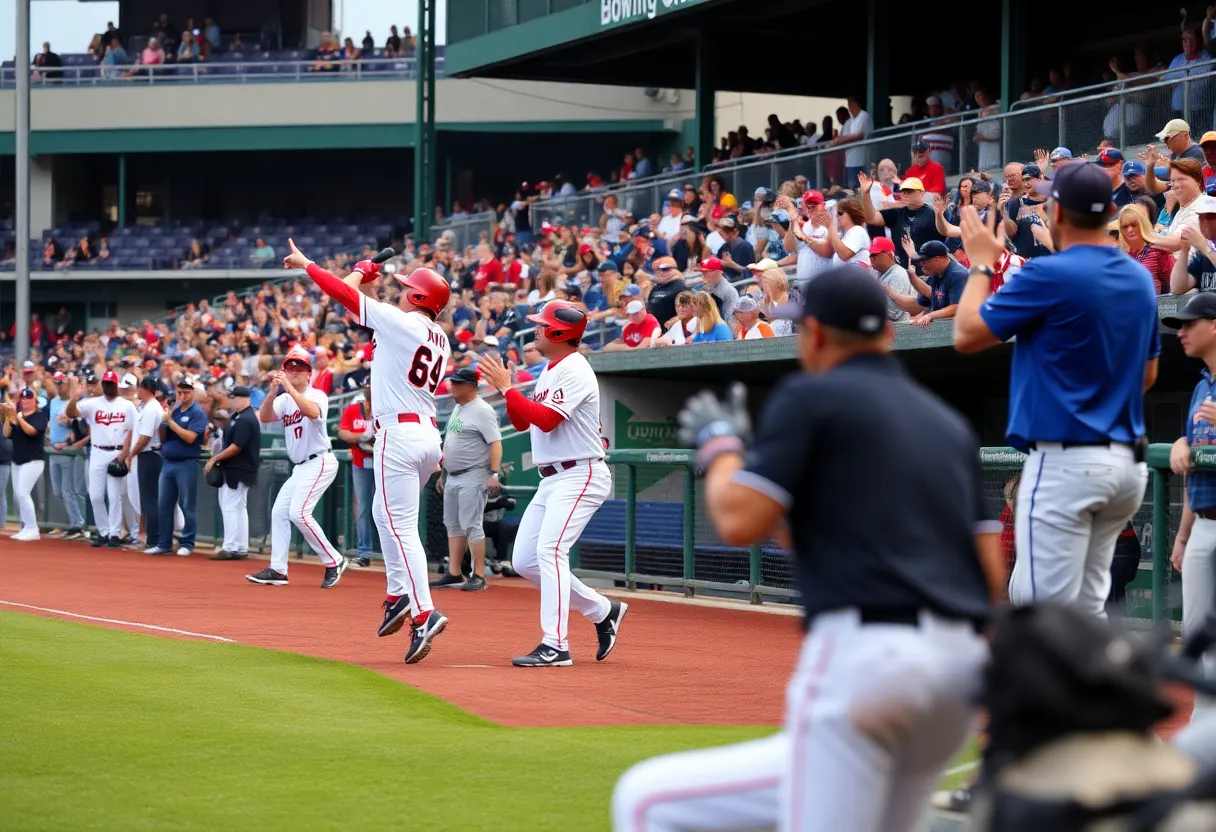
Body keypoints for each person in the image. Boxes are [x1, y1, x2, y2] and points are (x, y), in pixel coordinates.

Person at [613, 267, 1001, 832]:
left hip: (868, 660)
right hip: (956, 676)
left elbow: (738, 520)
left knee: (645, 800)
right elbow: (990, 575)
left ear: (815, 333)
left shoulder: (814, 394)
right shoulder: (948, 426)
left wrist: (722, 447)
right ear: (887, 337)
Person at [954, 161, 1158, 617]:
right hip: (1125, 469)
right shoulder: (1138, 276)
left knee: (1043, 617)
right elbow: (1147, 376)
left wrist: (983, 262)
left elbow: (966, 335)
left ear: (1059, 213)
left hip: (1069, 464)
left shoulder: (1049, 274)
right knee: (1085, 612)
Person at [285, 240, 451, 665]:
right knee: (383, 514)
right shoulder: (435, 334)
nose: (399, 291)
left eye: (405, 288)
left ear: (417, 297)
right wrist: (370, 285)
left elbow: (343, 295)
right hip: (426, 435)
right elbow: (372, 316)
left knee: (399, 529)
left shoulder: (406, 323)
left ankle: (424, 611)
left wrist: (318, 265)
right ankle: (398, 595)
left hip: (398, 434)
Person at [476, 301, 628, 667]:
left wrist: (509, 389)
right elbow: (524, 422)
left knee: (550, 552)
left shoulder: (575, 369)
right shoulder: (551, 369)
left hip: (581, 473)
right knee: (527, 561)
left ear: (560, 334)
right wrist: (507, 392)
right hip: (553, 478)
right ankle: (602, 609)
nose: (537, 331)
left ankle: (555, 645)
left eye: (543, 326)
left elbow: (544, 419)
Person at [246, 347, 349, 589]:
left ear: (309, 373)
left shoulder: (317, 395)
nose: (294, 371)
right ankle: (278, 570)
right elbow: (265, 417)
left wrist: (289, 389)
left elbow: (312, 412)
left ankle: (334, 559)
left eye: (299, 367)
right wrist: (272, 392)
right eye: (290, 367)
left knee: (298, 513)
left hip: (320, 460)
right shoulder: (282, 399)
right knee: (279, 512)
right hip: (301, 467)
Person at [1163, 292, 1216, 724]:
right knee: (1197, 634)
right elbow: (1190, 466)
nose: (1180, 332)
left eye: (1188, 323)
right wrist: (1182, 536)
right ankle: (1203, 734)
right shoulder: (1201, 385)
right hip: (1202, 521)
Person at [432, 366, 502, 592]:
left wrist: (493, 473)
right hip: (453, 475)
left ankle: (478, 574)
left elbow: (496, 443)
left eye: (457, 382)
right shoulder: (459, 408)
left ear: (471, 386)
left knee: (472, 525)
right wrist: (443, 473)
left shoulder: (483, 410)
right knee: (452, 525)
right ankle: (454, 573)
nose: (452, 386)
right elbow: (449, 444)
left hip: (474, 473)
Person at [66, 371, 136, 549]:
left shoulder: (127, 406)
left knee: (114, 496)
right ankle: (103, 531)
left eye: (111, 383)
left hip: (117, 452)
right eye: (105, 383)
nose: (108, 386)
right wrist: (74, 397)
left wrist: (126, 454)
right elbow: (71, 413)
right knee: (95, 495)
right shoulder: (92, 404)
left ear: (116, 385)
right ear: (103, 385)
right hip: (97, 452)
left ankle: (114, 533)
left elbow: (132, 430)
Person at [146, 379, 208, 557]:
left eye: (187, 391)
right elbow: (164, 438)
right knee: (164, 504)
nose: (183, 395)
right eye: (180, 392)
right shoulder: (175, 411)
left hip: (186, 463)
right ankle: (164, 543)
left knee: (187, 504)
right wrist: (163, 422)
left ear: (192, 393)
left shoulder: (197, 413)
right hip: (168, 462)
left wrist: (171, 422)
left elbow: (190, 438)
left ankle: (188, 543)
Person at [206, 385, 260, 561]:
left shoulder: (246, 418)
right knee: (238, 508)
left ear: (241, 398)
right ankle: (240, 546)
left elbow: (237, 447)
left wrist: (214, 459)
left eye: (234, 397)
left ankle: (230, 547)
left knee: (231, 507)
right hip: (237, 469)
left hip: (238, 469)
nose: (231, 400)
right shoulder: (239, 416)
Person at [337, 381, 376, 567]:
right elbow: (342, 432)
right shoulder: (354, 409)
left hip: (385, 462)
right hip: (361, 462)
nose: (370, 389)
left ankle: (391, 552)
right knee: (362, 508)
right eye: (368, 386)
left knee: (387, 509)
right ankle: (364, 552)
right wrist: (360, 436)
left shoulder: (386, 407)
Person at [2, 388, 48, 541]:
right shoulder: (17, 416)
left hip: (34, 459)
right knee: (17, 495)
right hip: (17, 459)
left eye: (28, 398)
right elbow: (6, 433)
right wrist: (9, 416)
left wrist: (18, 417)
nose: (25, 400)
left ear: (35, 401)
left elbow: (31, 431)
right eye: (23, 398)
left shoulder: (39, 416)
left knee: (23, 493)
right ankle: (26, 526)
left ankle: (33, 528)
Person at [47, 373, 87, 537]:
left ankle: (78, 525)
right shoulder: (54, 401)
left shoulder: (75, 401)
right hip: (53, 450)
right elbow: (52, 425)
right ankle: (76, 521)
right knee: (58, 492)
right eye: (56, 383)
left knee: (68, 490)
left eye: (61, 383)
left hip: (69, 451)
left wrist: (69, 425)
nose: (58, 386)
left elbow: (79, 428)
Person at [129, 377, 164, 547]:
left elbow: (145, 437)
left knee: (150, 499)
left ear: (147, 389)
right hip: (147, 455)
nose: (138, 390)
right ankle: (153, 537)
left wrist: (131, 454)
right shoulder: (146, 407)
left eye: (140, 387)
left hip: (150, 455)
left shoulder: (152, 408)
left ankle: (154, 539)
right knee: (147, 498)